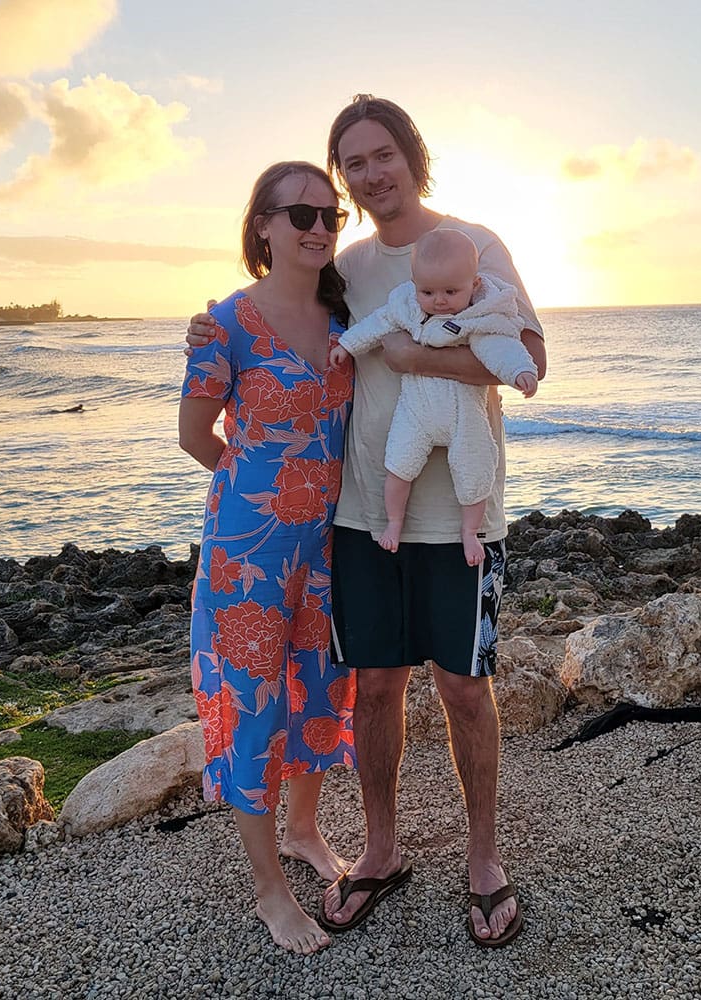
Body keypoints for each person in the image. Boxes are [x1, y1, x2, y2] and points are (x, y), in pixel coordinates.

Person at [186, 96, 547, 948]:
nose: (369, 173)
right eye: (353, 163)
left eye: (382, 154)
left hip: (460, 516)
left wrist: (421, 356)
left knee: (464, 688)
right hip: (358, 520)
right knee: (374, 687)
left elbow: (529, 357)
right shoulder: (342, 267)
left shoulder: (475, 245)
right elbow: (277, 323)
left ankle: (485, 860)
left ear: (412, 155)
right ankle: (380, 851)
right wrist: (208, 329)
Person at [178, 161, 357, 956]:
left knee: (321, 687)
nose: (319, 228)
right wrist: (259, 488)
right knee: (254, 707)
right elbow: (193, 435)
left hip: (333, 543)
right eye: (302, 215)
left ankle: (305, 831)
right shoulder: (226, 324)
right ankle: (268, 891)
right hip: (248, 550)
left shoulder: (348, 314)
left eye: (330, 214)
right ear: (262, 226)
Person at [329, 227, 538, 563]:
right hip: (416, 410)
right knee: (398, 466)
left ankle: (470, 532)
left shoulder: (478, 319)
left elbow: (502, 347)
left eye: (450, 291)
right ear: (414, 286)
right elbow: (375, 323)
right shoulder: (408, 308)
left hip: (464, 414)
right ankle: (393, 523)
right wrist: (347, 345)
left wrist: (520, 372)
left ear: (475, 285)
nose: (439, 300)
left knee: (476, 469)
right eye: (428, 291)